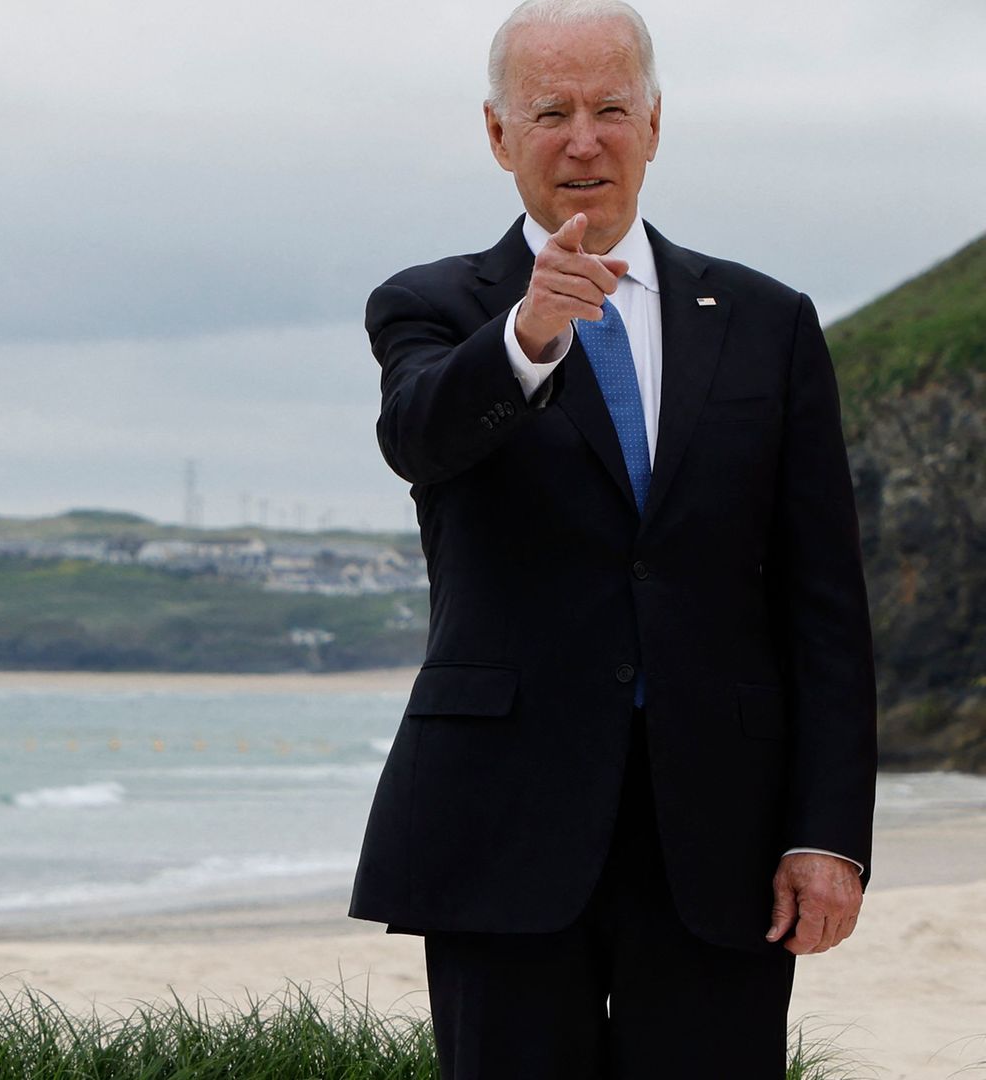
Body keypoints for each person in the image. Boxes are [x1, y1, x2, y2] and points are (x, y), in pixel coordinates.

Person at [349, 1, 876, 1076]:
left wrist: (827, 834)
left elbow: (823, 598)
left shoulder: (769, 323)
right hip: (503, 820)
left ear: (655, 122)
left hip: (718, 831)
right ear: (500, 135)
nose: (583, 139)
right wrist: (529, 335)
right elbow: (418, 438)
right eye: (551, 112)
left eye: (610, 109)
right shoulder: (435, 306)